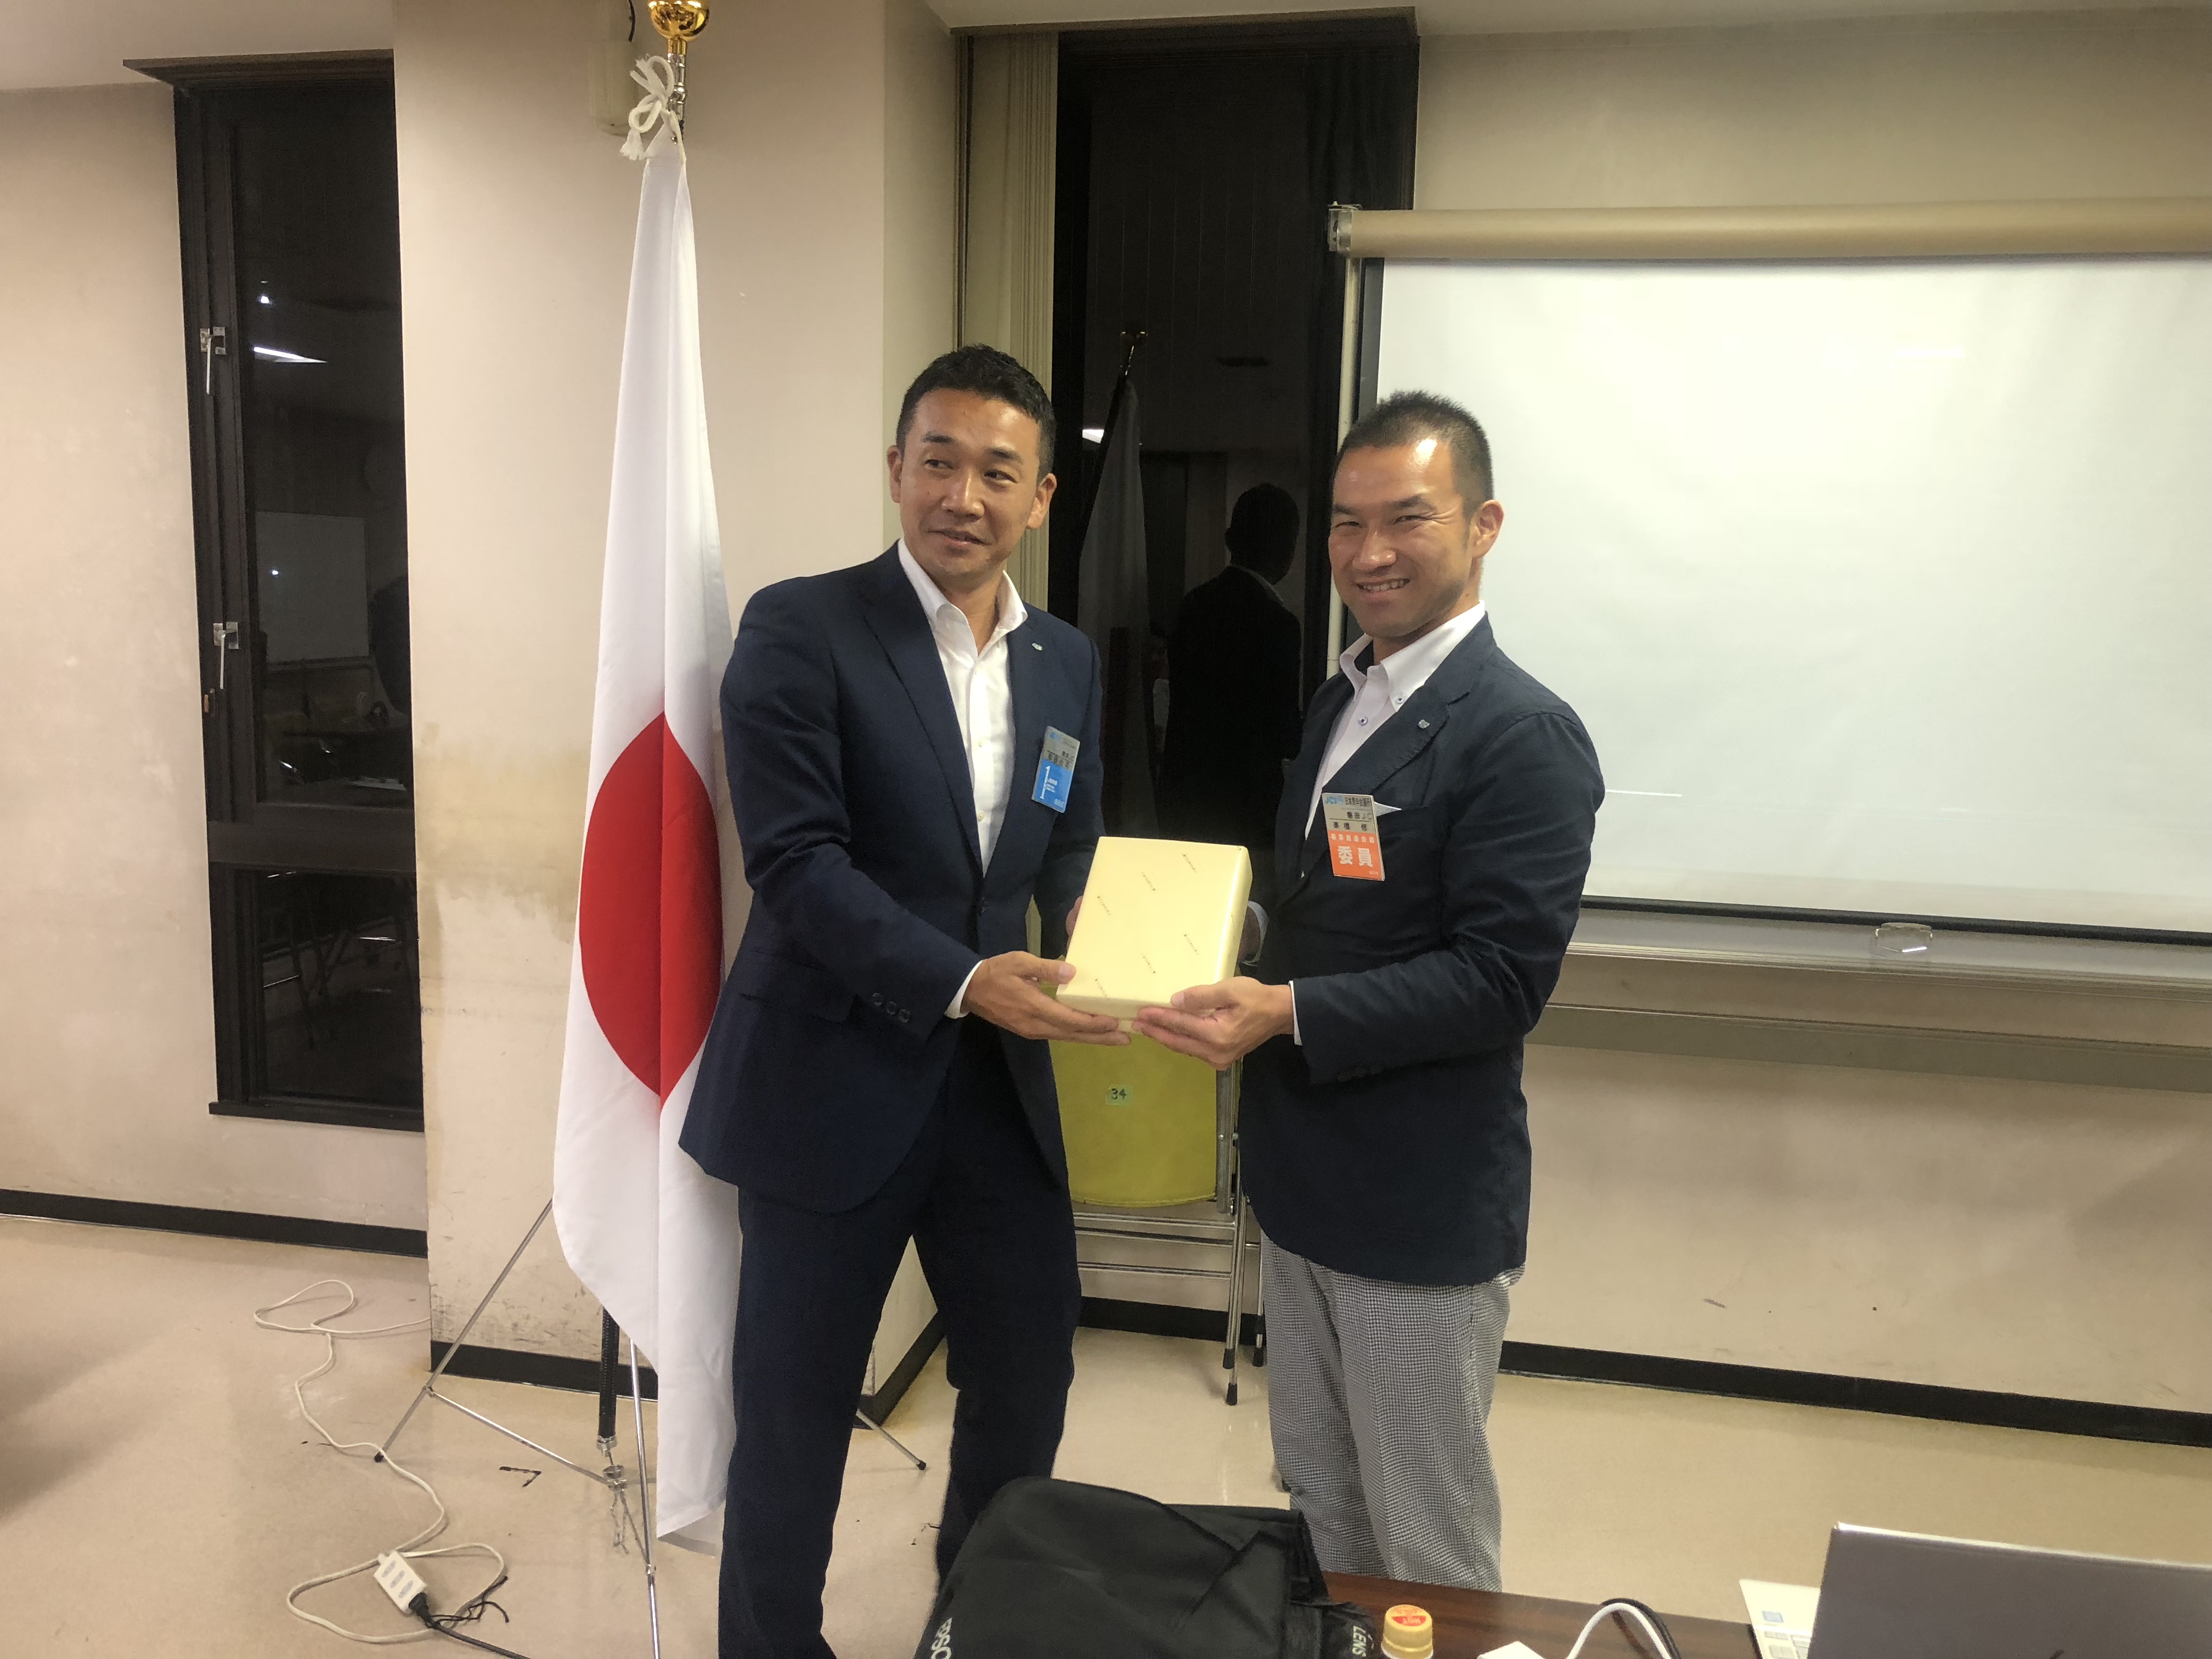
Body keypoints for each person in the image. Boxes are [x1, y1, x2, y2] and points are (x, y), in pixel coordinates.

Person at [679, 345, 1126, 1658]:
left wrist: (1130, 941)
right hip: (829, 1080)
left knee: (1026, 1378)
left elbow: (1073, 847)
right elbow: (795, 864)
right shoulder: (801, 627)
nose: (963, 497)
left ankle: (971, 1630)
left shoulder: (1065, 663)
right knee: (797, 1406)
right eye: (939, 462)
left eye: (998, 472)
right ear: (895, 468)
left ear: (1042, 496)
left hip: (996, 1098)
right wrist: (965, 980)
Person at [1135, 391, 1602, 1592]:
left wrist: (1286, 1012)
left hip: (1414, 1208)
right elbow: (1329, 912)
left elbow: (1499, 981)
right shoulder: (1343, 698)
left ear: (1483, 525)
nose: (1370, 551)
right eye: (1347, 523)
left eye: (1408, 518)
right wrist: (1219, 946)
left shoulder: (1521, 732)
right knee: (1324, 1499)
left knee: (1426, 1541)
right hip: (1304, 1186)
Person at [1158, 483, 1304, 883]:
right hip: (1248, 804)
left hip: (1185, 791)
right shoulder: (1279, 623)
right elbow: (1284, 729)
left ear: (1230, 540)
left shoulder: (1193, 604)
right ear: (1288, 549)